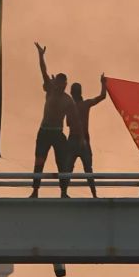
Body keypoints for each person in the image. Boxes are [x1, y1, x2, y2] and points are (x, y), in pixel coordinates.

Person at [31, 43, 84, 198]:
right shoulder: (50, 90)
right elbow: (43, 72)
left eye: (62, 84)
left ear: (65, 84)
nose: (60, 86)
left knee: (62, 164)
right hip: (44, 131)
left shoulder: (68, 101)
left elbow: (75, 120)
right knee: (39, 162)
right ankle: (35, 190)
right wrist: (41, 55)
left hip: (57, 133)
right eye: (58, 84)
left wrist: (80, 138)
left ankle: (63, 191)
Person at [67, 74, 107, 198]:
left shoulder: (69, 106)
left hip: (73, 140)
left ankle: (63, 193)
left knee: (68, 168)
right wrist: (103, 83)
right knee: (88, 169)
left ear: (72, 93)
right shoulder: (86, 104)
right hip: (84, 140)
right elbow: (102, 96)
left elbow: (67, 123)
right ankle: (94, 194)